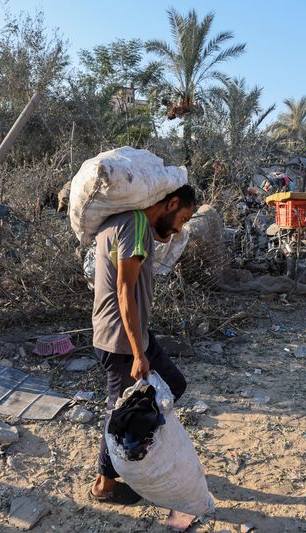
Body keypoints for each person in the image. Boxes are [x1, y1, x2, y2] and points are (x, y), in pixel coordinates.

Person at [90, 185, 196, 505]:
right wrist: (138, 353)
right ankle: (104, 485)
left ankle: (139, 453)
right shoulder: (135, 223)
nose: (179, 228)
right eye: (182, 218)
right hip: (122, 343)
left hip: (134, 336)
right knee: (120, 415)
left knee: (174, 383)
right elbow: (124, 290)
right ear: (171, 203)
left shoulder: (125, 220)